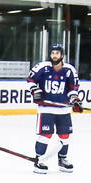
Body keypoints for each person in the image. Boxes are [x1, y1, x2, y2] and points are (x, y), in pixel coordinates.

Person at [27, 42, 81, 173]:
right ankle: (39, 160)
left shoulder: (69, 70)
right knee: (46, 134)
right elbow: (30, 81)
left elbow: (73, 88)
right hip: (46, 109)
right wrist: (35, 91)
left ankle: (62, 160)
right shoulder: (42, 67)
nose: (54, 55)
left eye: (57, 53)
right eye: (53, 53)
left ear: (62, 55)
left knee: (65, 135)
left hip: (64, 109)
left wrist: (75, 100)